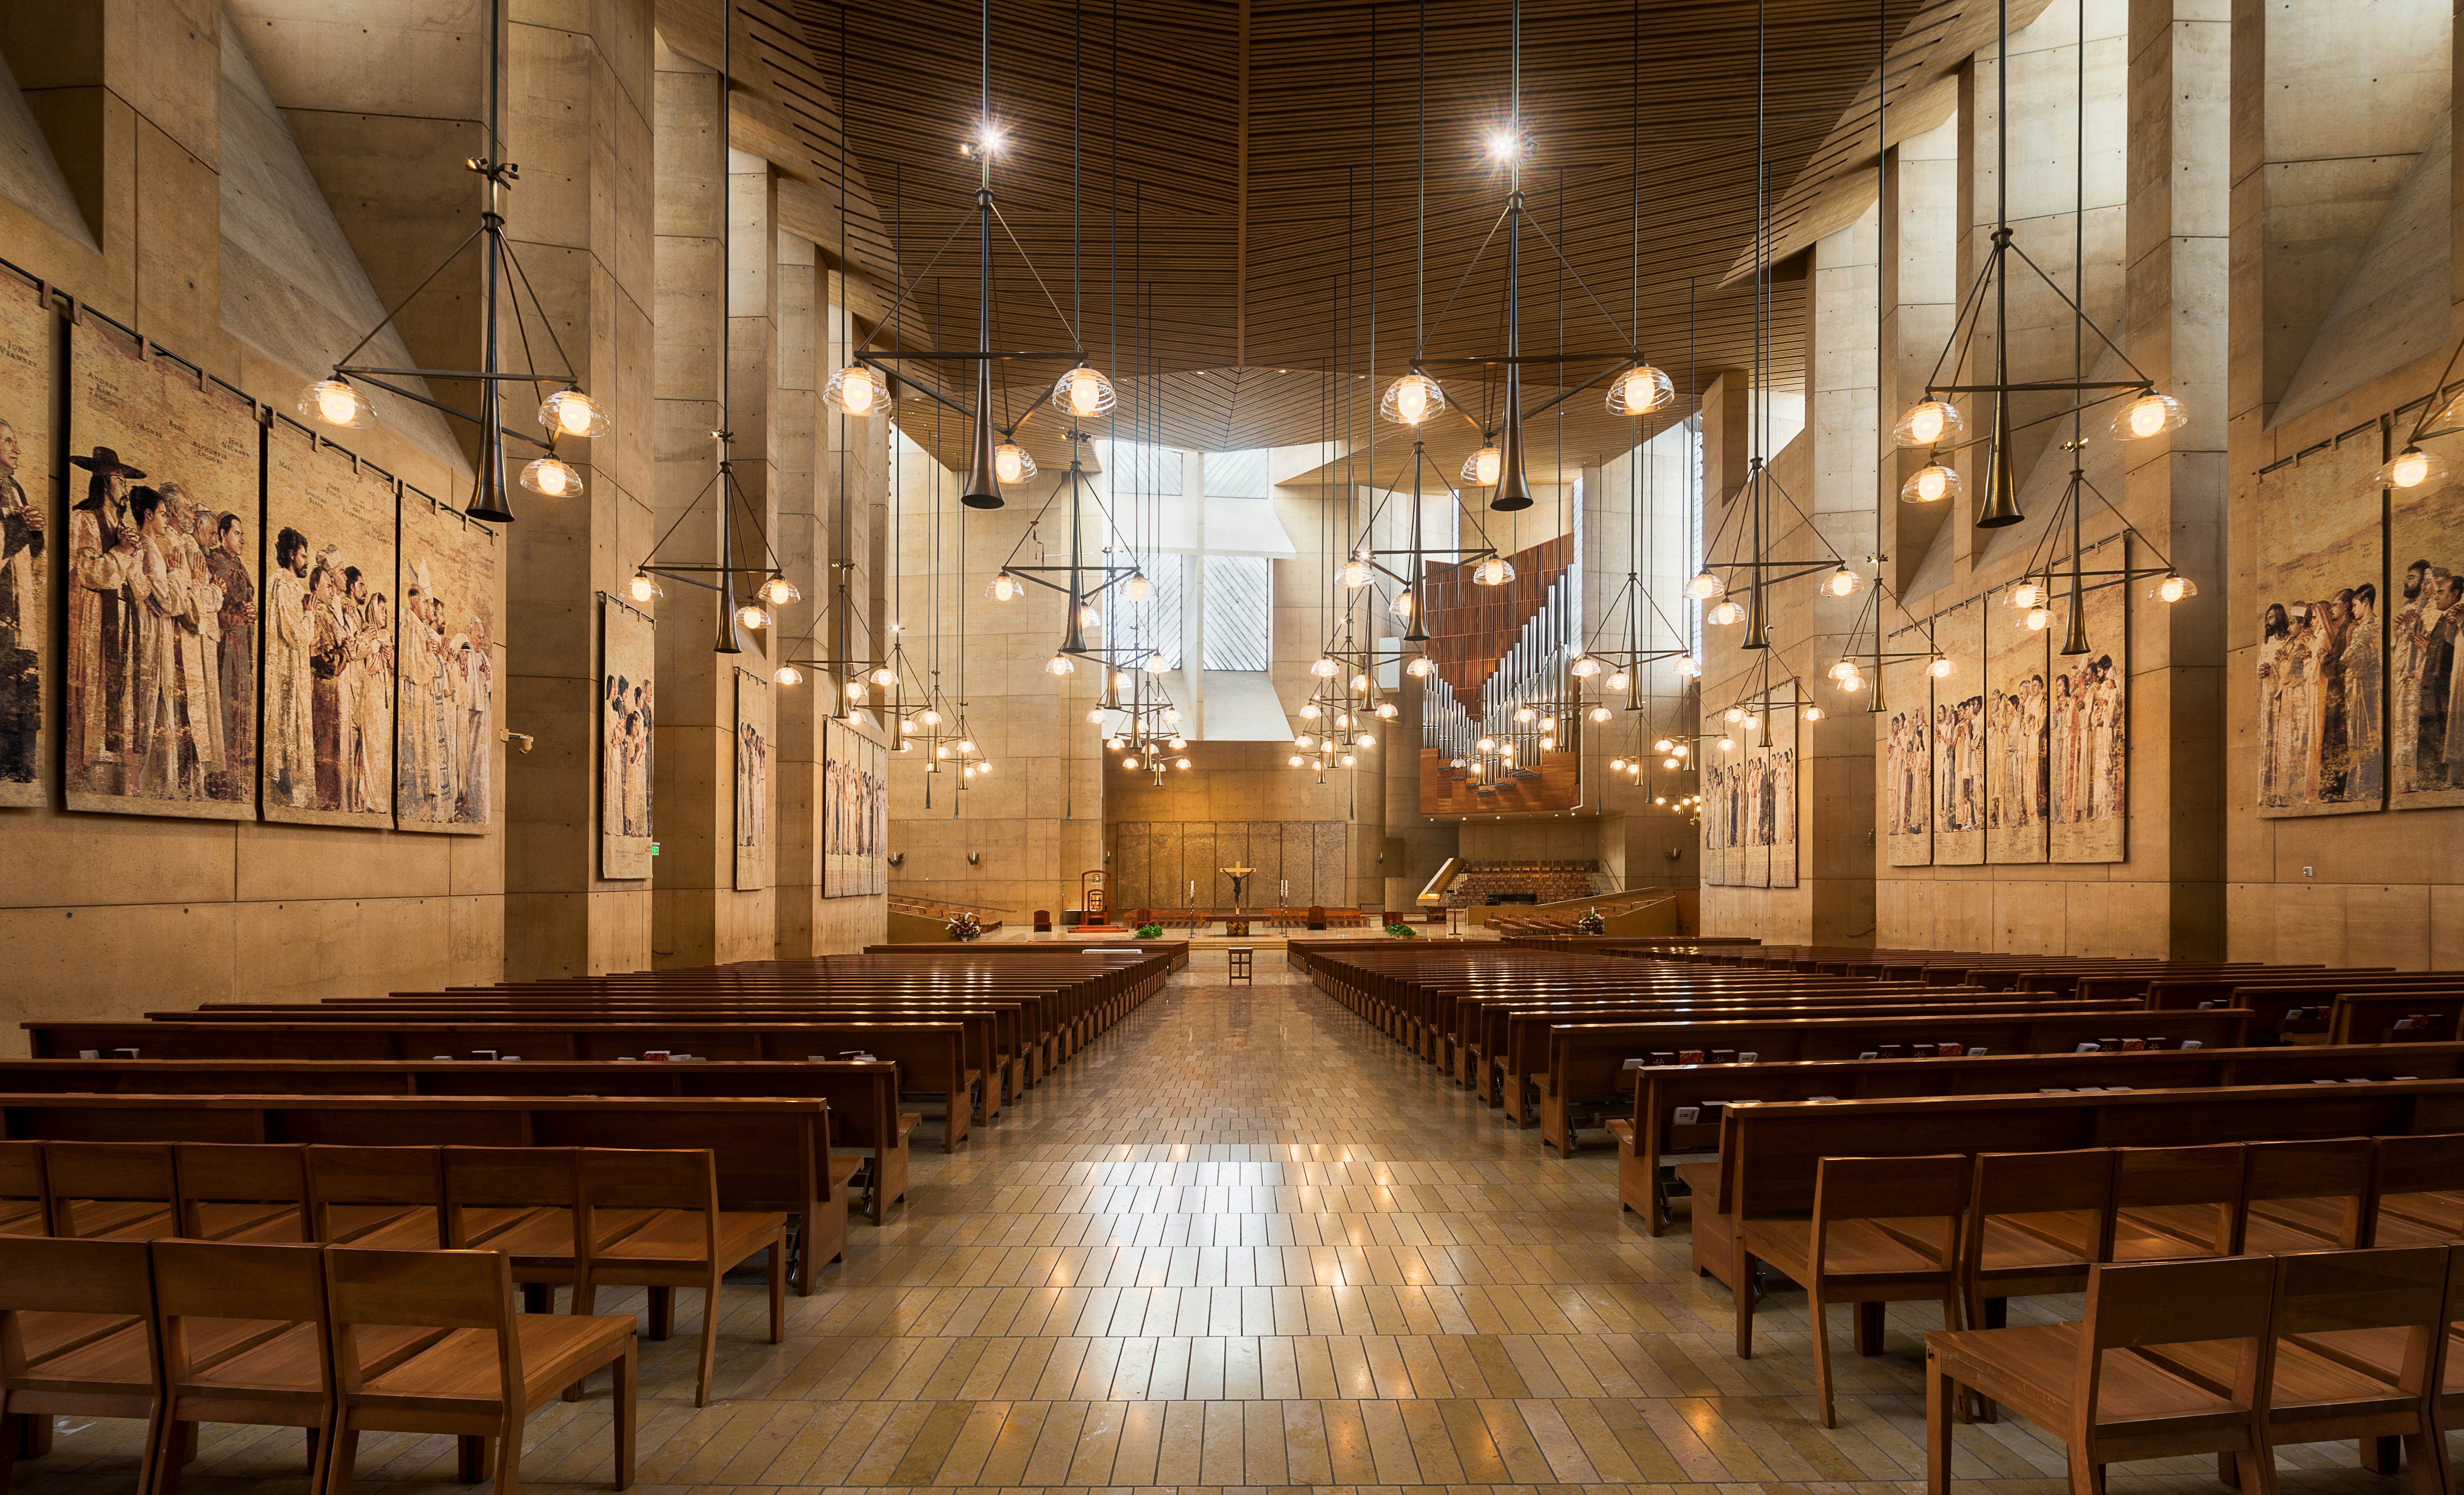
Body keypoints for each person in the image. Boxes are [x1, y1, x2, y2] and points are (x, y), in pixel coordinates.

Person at [67, 447, 146, 790]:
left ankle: (115, 771)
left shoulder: (124, 527)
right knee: (98, 688)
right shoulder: (84, 521)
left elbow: (140, 588)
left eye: (125, 481)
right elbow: (89, 573)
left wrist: (134, 554)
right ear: (103, 482)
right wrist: (122, 554)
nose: (124, 488)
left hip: (124, 619)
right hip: (98, 618)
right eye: (118, 480)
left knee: (120, 690)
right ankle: (90, 766)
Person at [0, 417, 41, 785]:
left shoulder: (14, 488)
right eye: (9, 442)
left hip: (19, 603)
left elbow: (28, 551)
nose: (17, 449)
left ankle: (21, 767)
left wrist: (36, 532)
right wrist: (17, 526)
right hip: (2, 608)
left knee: (22, 686)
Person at [203, 511, 254, 790]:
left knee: (241, 710)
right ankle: (220, 779)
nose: (242, 539)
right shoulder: (214, 562)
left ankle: (238, 780)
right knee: (224, 708)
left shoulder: (239, 566)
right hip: (224, 646)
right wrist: (238, 613)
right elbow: (215, 608)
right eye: (237, 533)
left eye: (242, 534)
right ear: (223, 535)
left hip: (242, 645)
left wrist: (250, 613)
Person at [266, 527, 316, 807]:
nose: (305, 562)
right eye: (302, 556)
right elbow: (297, 635)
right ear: (290, 556)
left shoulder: (288, 586)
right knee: (288, 725)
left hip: (292, 668)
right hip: (286, 670)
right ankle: (288, 790)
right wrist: (309, 615)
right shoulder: (284, 586)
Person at [2346, 582, 2383, 799]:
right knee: (2358, 736)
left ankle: (2367, 786)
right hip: (2357, 688)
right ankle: (2360, 786)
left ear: (2366, 602)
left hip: (2366, 688)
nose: (2352, 610)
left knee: (2366, 734)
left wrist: (2348, 652)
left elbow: (2352, 659)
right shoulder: (2363, 627)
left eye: (2355, 605)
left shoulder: (2372, 627)